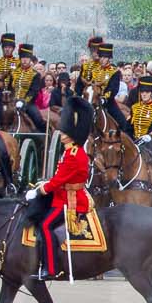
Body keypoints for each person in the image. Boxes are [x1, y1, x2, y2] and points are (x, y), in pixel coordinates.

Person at [22, 94, 94, 280]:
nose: (60, 134)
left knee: (46, 226)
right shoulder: (70, 151)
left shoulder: (74, 155)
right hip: (62, 196)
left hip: (70, 200)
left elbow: (60, 181)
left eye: (63, 132)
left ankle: (50, 268)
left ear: (71, 135)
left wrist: (39, 190)